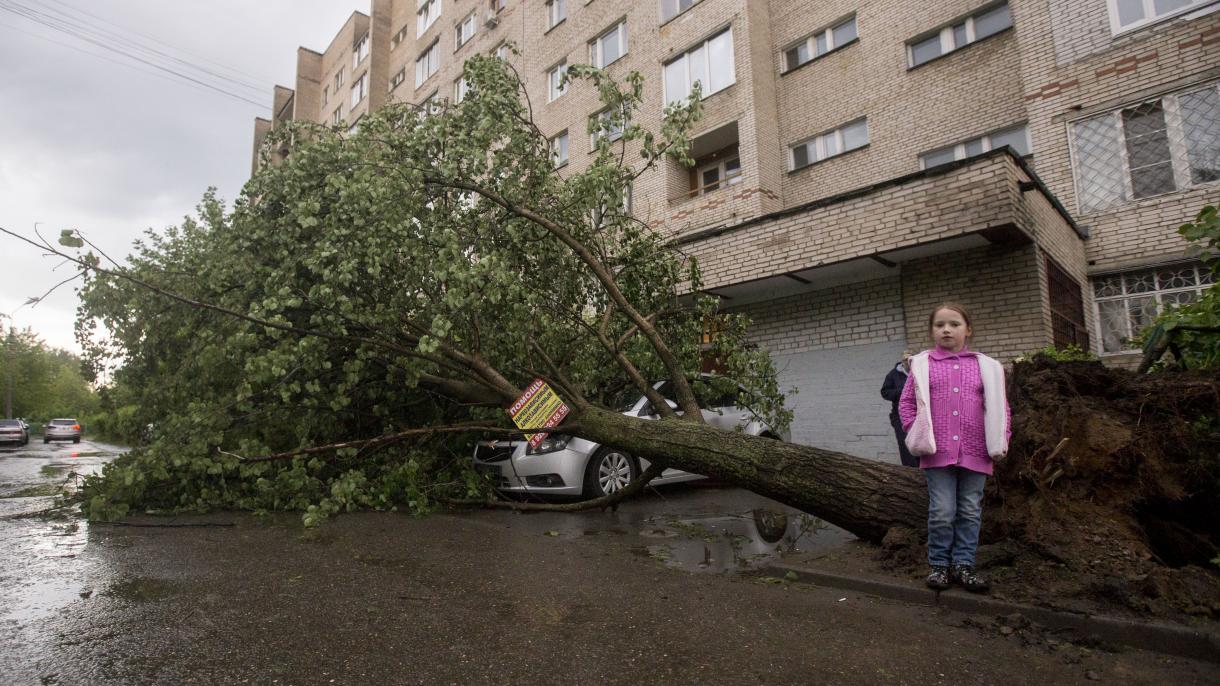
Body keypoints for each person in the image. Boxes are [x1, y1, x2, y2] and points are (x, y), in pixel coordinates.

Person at [899, 303, 1009, 594]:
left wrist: (1002, 437)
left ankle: (964, 565)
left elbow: (1001, 407)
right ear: (932, 331)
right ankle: (939, 566)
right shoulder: (923, 365)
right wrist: (915, 430)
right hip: (937, 452)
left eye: (954, 324)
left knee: (970, 510)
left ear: (968, 329)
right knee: (942, 511)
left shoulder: (985, 366)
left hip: (977, 450)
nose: (947, 329)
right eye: (940, 325)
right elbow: (907, 403)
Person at [879, 353, 918, 467]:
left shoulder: (920, 371)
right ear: (902, 361)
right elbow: (885, 392)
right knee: (905, 443)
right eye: (905, 360)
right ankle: (910, 471)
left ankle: (923, 471)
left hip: (920, 414)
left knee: (920, 442)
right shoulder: (893, 374)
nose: (907, 362)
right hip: (900, 415)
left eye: (910, 359)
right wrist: (901, 391)